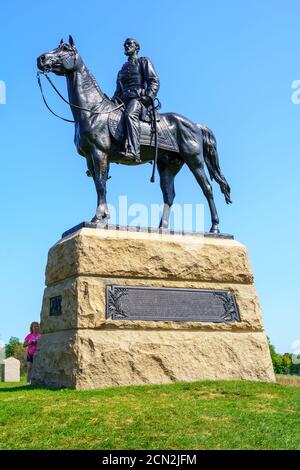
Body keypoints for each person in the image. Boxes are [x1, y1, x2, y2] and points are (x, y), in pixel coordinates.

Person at [112, 38, 160, 163]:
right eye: (125, 44)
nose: (126, 46)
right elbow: (118, 91)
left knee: (129, 115)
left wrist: (149, 97)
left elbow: (154, 81)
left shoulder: (143, 61)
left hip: (138, 100)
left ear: (136, 48)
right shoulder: (121, 71)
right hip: (122, 101)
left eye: (129, 44)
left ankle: (134, 151)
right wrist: (111, 102)